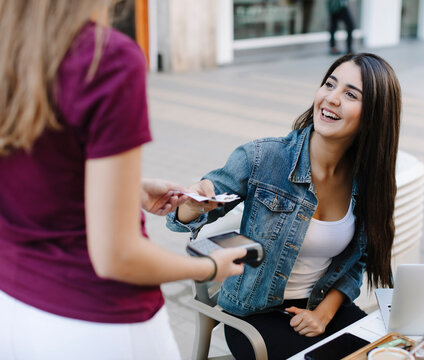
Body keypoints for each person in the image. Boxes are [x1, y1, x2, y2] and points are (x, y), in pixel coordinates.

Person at [0, 1, 245, 359]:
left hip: (13, 308)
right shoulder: (106, 59)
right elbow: (117, 256)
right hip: (98, 323)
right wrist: (209, 267)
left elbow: (35, 175)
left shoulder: (11, 47)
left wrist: (128, 187)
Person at [167, 53, 402, 359]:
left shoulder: (369, 181)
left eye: (349, 94)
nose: (331, 98)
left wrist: (324, 313)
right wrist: (193, 203)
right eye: (329, 85)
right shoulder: (264, 157)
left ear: (374, 115)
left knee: (397, 351)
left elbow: (357, 262)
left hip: (321, 306)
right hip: (254, 316)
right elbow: (181, 217)